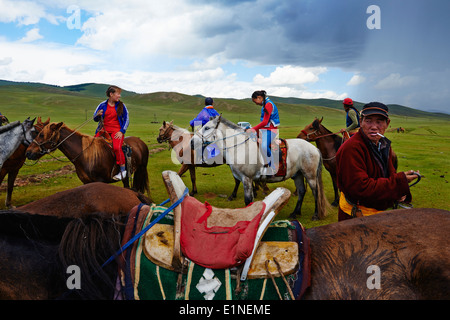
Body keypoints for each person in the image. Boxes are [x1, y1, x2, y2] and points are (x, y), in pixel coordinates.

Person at [335, 102, 419, 221]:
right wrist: (398, 182)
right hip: (355, 217)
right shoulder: (351, 149)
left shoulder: (383, 144)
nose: (374, 127)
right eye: (368, 121)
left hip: (377, 214)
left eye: (379, 122)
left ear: (387, 123)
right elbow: (360, 188)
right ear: (361, 121)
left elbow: (388, 174)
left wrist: (398, 192)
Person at [93, 85, 130, 181]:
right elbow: (95, 118)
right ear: (111, 94)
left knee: (117, 148)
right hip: (103, 130)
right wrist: (98, 115)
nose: (119, 96)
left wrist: (122, 131)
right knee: (92, 144)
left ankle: (122, 171)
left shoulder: (121, 105)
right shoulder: (102, 105)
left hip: (116, 130)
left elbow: (127, 119)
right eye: (118, 94)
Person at [247, 90, 280, 175]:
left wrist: (253, 129)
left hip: (270, 130)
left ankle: (273, 167)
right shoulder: (265, 104)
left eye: (255, 101)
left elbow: (265, 122)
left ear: (259, 98)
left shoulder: (268, 105)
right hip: (265, 129)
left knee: (264, 146)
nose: (256, 104)